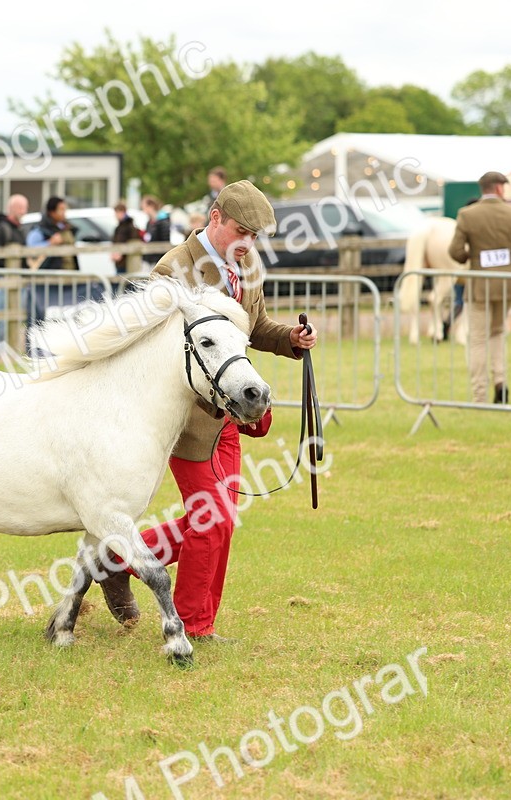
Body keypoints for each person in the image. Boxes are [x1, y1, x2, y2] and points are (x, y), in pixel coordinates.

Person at [95, 180, 317, 642]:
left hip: (232, 414)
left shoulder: (247, 264)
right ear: (215, 218)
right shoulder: (171, 272)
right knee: (210, 519)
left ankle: (116, 558)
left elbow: (252, 329)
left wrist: (289, 341)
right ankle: (194, 626)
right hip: (188, 420)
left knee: (220, 521)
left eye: (255, 237)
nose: (248, 244)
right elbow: (159, 354)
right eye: (241, 231)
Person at [448, 171, 511, 405]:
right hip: (507, 286)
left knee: (477, 338)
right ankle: (501, 382)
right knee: (498, 332)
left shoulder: (467, 215)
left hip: (479, 286)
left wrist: (472, 257)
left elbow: (455, 252)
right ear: (498, 188)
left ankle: (479, 394)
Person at [26, 196, 77, 325]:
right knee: (43, 317)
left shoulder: (66, 228)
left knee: (63, 316)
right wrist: (50, 243)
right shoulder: (39, 229)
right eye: (61, 209)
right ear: (51, 212)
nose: (64, 212)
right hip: (47, 281)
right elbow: (31, 250)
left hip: (68, 280)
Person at [0, 194, 29, 345]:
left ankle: (11, 346)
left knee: (15, 316)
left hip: (18, 279)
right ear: (11, 208)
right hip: (3, 279)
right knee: (1, 315)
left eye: (25, 208)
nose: (24, 211)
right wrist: (7, 269)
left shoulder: (20, 229)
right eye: (20, 208)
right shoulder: (2, 229)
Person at [110, 201, 141, 275]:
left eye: (117, 213)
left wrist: (120, 253)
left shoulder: (130, 227)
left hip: (127, 262)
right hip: (120, 261)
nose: (115, 215)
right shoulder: (119, 227)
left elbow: (133, 243)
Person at [141, 195, 171, 267]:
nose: (143, 210)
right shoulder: (149, 223)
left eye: (144, 207)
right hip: (148, 259)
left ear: (151, 206)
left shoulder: (163, 222)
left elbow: (165, 241)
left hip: (158, 260)